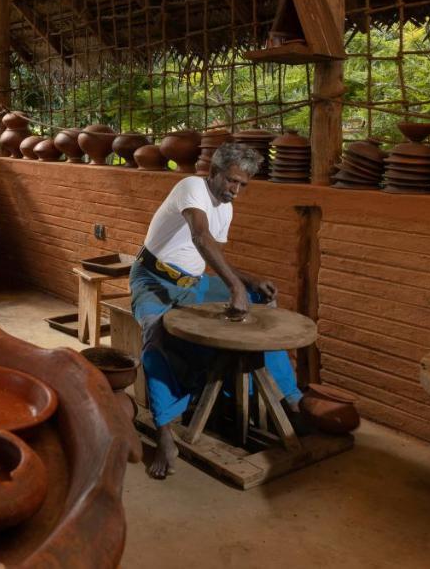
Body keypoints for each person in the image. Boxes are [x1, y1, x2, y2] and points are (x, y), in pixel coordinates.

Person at [130, 142, 303, 479]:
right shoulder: (191, 187)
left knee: (262, 309)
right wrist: (236, 286)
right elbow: (200, 237)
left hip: (194, 281)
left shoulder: (226, 207)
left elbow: (214, 257)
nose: (235, 191)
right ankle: (165, 431)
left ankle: (289, 401)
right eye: (231, 181)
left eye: (242, 185)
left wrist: (249, 282)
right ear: (215, 172)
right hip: (151, 278)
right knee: (156, 335)